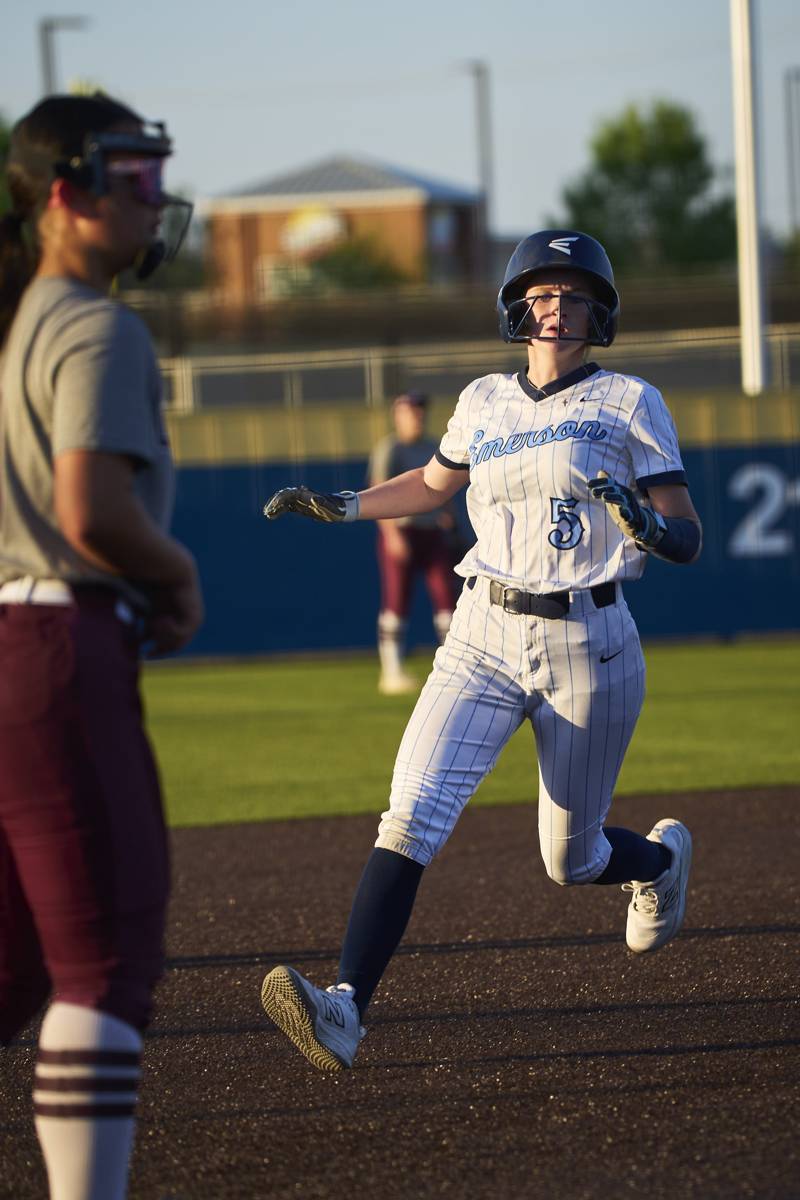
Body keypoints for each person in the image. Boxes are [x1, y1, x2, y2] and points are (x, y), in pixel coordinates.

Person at [260, 229, 702, 1073]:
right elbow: (433, 483)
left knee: (571, 860)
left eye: (575, 295)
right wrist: (346, 505)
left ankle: (659, 862)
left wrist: (649, 524)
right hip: (482, 631)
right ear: (516, 307)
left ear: (600, 312)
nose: (557, 307)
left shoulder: (630, 400)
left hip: (589, 640)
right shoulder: (483, 400)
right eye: (542, 293)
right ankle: (345, 1008)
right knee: (411, 812)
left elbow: (686, 532)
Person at [0, 94, 203, 1198]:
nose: (156, 198)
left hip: (15, 638)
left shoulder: (19, 319)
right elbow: (92, 513)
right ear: (65, 191)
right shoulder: (94, 323)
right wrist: (175, 573)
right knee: (104, 964)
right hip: (53, 644)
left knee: (15, 965)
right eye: (135, 175)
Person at [369, 391, 458, 694]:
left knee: (446, 598)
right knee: (396, 601)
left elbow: (443, 486)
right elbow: (378, 491)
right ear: (398, 415)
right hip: (403, 531)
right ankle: (391, 672)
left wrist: (448, 517)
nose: (417, 417)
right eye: (411, 412)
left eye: (420, 412)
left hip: (432, 532)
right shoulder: (390, 449)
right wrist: (392, 534)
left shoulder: (434, 446)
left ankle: (454, 668)